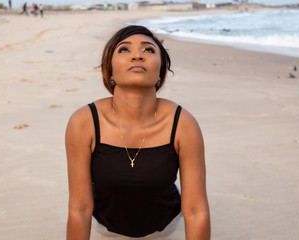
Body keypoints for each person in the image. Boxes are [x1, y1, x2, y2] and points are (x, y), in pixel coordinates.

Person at [65, 25, 210, 239]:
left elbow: (196, 211)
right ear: (110, 71)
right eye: (124, 50)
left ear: (160, 73)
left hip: (166, 225)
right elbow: (80, 209)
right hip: (105, 225)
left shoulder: (183, 123)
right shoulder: (84, 122)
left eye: (148, 50)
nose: (137, 56)